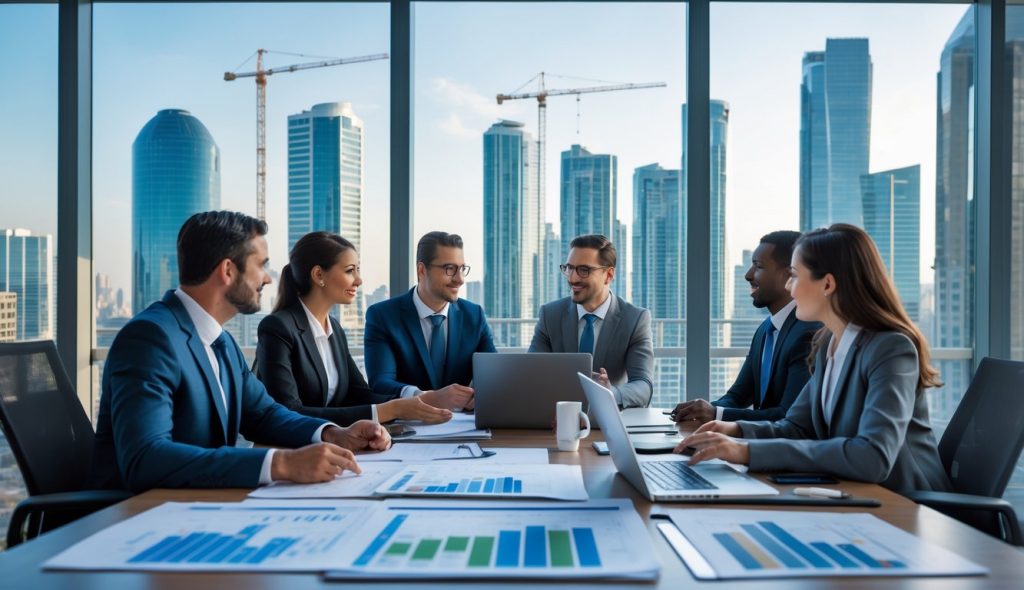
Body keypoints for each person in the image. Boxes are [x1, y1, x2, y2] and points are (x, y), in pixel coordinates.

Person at [93, 211, 390, 493]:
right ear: (227, 270)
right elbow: (146, 458)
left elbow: (264, 414)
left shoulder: (221, 341)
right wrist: (280, 463)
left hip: (196, 504)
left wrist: (332, 433)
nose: (269, 278)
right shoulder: (151, 339)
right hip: (136, 517)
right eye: (261, 265)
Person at [676, 224, 951, 493]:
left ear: (828, 284)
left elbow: (872, 457)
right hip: (852, 492)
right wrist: (733, 429)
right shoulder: (827, 343)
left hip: (910, 506)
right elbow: (796, 427)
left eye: (794, 276)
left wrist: (746, 450)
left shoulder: (889, 348)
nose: (789, 287)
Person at [255, 231, 452, 426]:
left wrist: (415, 400)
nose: (359, 280)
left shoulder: (335, 329)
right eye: (350, 271)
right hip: (293, 449)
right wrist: (391, 410)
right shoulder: (278, 328)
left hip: (334, 443)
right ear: (318, 274)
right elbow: (289, 412)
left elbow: (357, 394)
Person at [671, 231, 818, 424]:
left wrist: (716, 414)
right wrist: (699, 410)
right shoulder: (765, 330)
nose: (748, 275)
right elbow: (738, 396)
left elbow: (788, 415)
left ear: (788, 275)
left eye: (758, 266)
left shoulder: (808, 332)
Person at [364, 231, 496, 410]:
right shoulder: (383, 316)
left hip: (463, 427)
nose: (460, 279)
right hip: (406, 425)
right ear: (421, 270)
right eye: (449, 269)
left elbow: (494, 374)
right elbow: (380, 383)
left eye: (462, 269)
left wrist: (484, 392)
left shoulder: (474, 315)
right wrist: (426, 397)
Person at [529, 234, 654, 408]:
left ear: (608, 275)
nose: (573, 278)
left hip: (607, 421)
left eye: (583, 270)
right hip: (559, 418)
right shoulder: (550, 315)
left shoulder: (634, 319)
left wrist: (611, 393)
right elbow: (532, 373)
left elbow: (643, 385)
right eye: (569, 268)